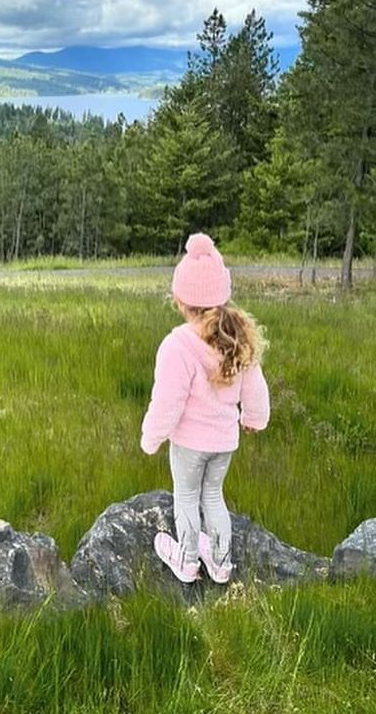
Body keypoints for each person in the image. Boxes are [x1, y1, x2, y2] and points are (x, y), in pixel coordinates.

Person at [140, 233, 270, 583]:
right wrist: (255, 419)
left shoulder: (177, 346)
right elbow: (255, 386)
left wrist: (151, 439)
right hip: (224, 442)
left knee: (185, 497)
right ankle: (222, 563)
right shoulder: (238, 337)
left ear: (180, 300)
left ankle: (186, 561)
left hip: (189, 444)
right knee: (213, 496)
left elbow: (167, 401)